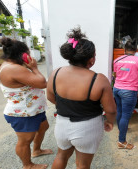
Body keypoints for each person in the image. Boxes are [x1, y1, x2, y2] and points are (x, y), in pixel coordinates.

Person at [46, 27, 117, 169]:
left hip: (62, 124)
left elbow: (51, 98)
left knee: (61, 156)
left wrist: (68, 107)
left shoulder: (56, 73)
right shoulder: (99, 79)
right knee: (82, 165)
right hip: (87, 127)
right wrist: (109, 122)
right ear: (91, 60)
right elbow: (111, 110)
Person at [0, 37, 52, 169]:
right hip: (23, 113)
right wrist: (34, 68)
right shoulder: (13, 69)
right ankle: (27, 165)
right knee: (25, 141)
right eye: (28, 53)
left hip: (32, 110)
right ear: (23, 54)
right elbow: (42, 83)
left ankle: (36, 150)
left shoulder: (12, 66)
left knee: (43, 127)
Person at [113, 40, 138, 150]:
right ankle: (122, 141)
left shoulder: (117, 60)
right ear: (136, 50)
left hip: (117, 89)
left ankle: (121, 129)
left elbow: (115, 74)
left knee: (120, 111)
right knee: (126, 115)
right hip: (129, 91)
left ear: (125, 49)